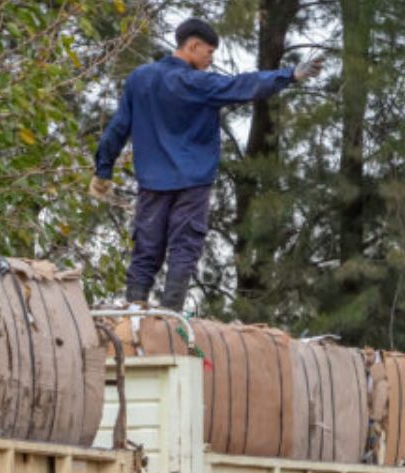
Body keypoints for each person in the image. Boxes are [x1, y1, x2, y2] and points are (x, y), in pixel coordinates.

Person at [93, 18, 321, 310]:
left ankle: (132, 313)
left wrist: (103, 171)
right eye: (209, 52)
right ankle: (170, 314)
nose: (211, 59)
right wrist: (290, 75)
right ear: (193, 45)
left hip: (152, 183)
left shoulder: (140, 79)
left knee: (146, 249)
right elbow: (243, 84)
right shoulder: (198, 83)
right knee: (184, 247)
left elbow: (118, 127)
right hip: (192, 183)